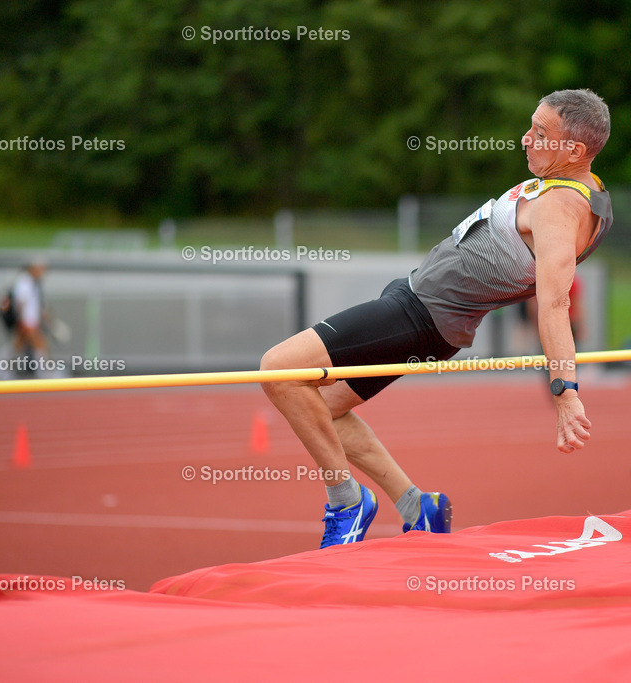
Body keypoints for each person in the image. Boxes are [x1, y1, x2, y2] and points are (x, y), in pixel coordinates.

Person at [260, 89, 612, 549]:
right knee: (320, 411)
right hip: (412, 298)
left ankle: (345, 501)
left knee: (278, 370)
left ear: (575, 151)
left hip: (421, 317)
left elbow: (554, 304)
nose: (525, 139)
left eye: (540, 133)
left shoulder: (561, 211)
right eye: (530, 126)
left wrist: (566, 391)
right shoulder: (584, 186)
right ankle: (415, 505)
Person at [12, 260, 49, 370]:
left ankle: (0, 368)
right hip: (27, 321)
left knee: (16, 347)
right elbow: (21, 303)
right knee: (40, 346)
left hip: (30, 321)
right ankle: (45, 372)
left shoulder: (34, 282)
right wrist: (21, 321)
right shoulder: (24, 282)